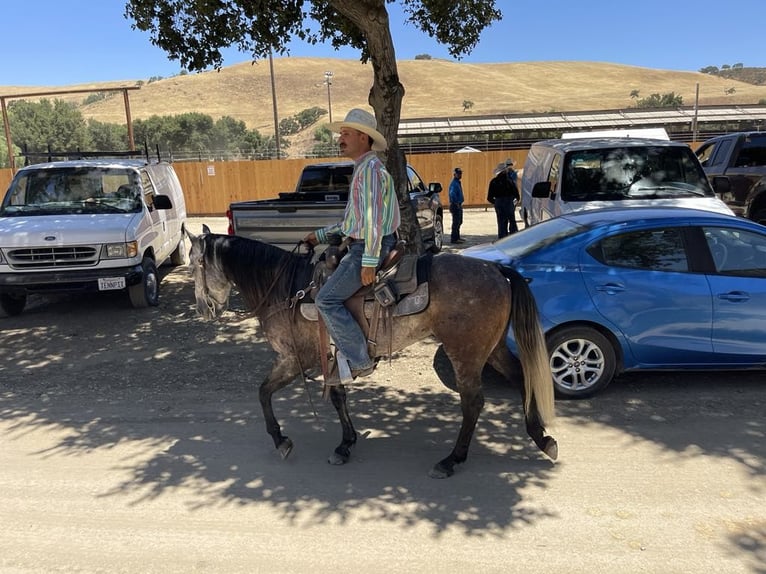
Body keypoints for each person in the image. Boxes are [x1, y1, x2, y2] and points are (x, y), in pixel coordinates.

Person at [302, 108, 400, 381]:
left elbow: (372, 220)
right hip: (367, 241)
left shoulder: (369, 171)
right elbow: (353, 222)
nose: (340, 139)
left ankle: (359, 361)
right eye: (341, 134)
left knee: (325, 299)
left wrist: (369, 261)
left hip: (369, 245)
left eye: (346, 134)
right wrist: (320, 235)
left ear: (363, 137)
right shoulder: (364, 169)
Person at [487, 158, 520, 239]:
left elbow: (489, 197)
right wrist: (514, 202)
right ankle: (513, 238)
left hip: (499, 203)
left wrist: (496, 203)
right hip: (509, 203)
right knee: (512, 221)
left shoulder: (493, 182)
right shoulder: (510, 181)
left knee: (501, 223)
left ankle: (502, 239)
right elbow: (517, 194)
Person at [448, 167, 465, 244]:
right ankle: (454, 239)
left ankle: (457, 237)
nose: (460, 175)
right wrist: (456, 203)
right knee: (456, 222)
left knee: (459, 221)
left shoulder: (458, 182)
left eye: (460, 173)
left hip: (458, 204)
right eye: (458, 173)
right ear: (454, 174)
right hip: (455, 205)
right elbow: (452, 194)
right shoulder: (454, 184)